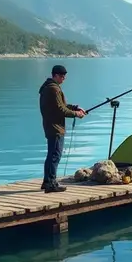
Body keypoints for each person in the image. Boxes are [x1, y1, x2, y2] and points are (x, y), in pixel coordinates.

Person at [38, 65, 86, 193]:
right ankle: (51, 184)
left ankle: (47, 181)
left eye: (65, 75)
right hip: (55, 127)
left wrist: (75, 108)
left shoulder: (49, 88)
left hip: (51, 126)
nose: (64, 78)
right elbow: (61, 110)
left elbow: (61, 106)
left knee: (51, 155)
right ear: (55, 75)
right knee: (55, 155)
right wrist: (76, 114)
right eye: (62, 75)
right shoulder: (53, 89)